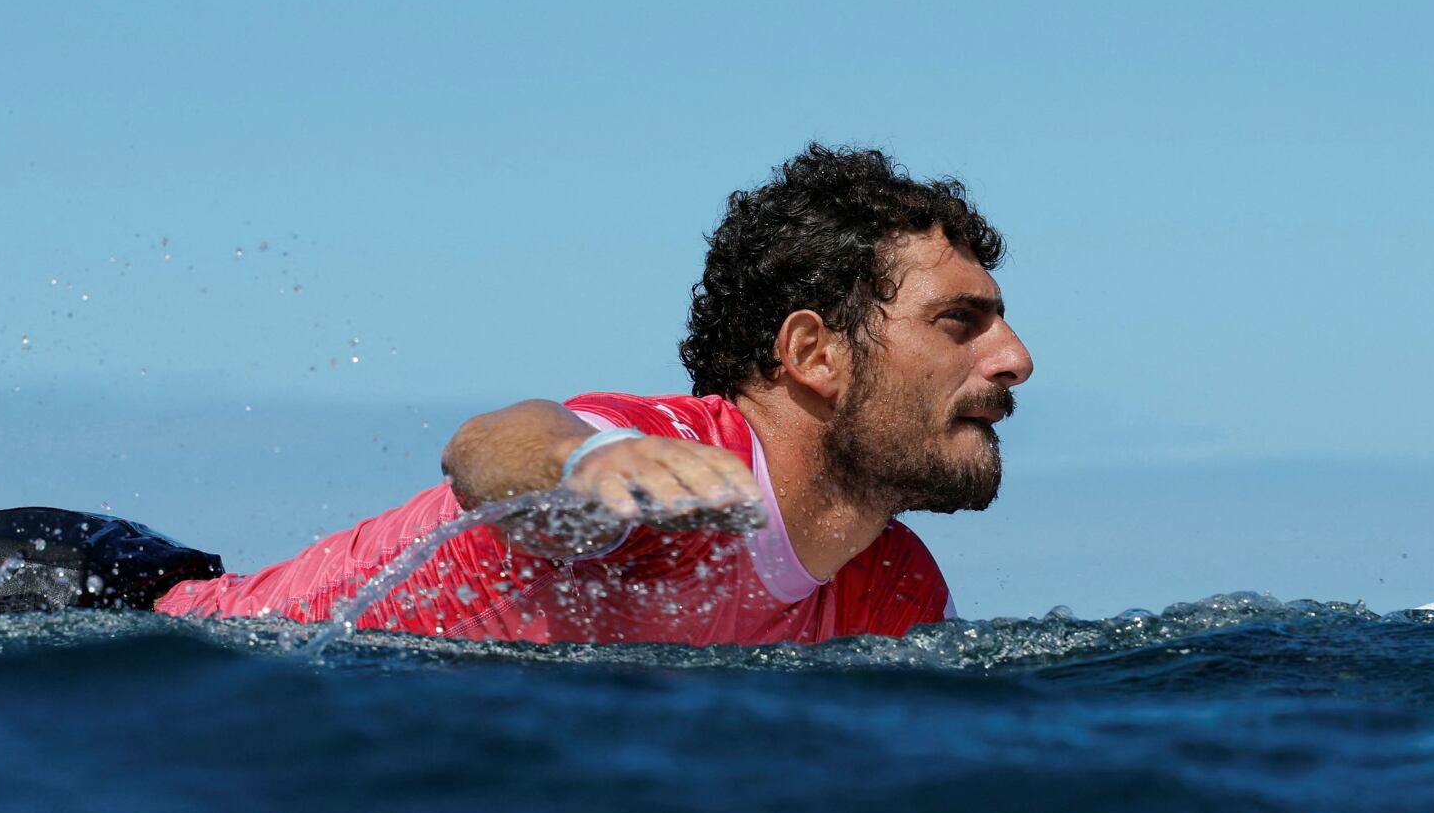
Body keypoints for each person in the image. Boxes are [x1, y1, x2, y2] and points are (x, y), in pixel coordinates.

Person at [154, 143, 1033, 644]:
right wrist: (598, 463)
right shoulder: (672, 461)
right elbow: (492, 448)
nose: (1015, 359)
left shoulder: (895, 585)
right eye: (961, 321)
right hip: (137, 621)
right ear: (813, 354)